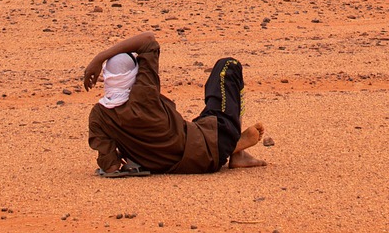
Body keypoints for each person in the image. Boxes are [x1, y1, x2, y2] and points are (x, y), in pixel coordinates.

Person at [83, 30, 266, 177]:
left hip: (175, 159)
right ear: (134, 75)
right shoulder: (144, 94)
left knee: (205, 120)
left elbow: (111, 166)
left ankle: (233, 145)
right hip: (210, 147)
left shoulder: (99, 116)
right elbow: (148, 39)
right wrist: (100, 58)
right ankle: (236, 153)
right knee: (228, 66)